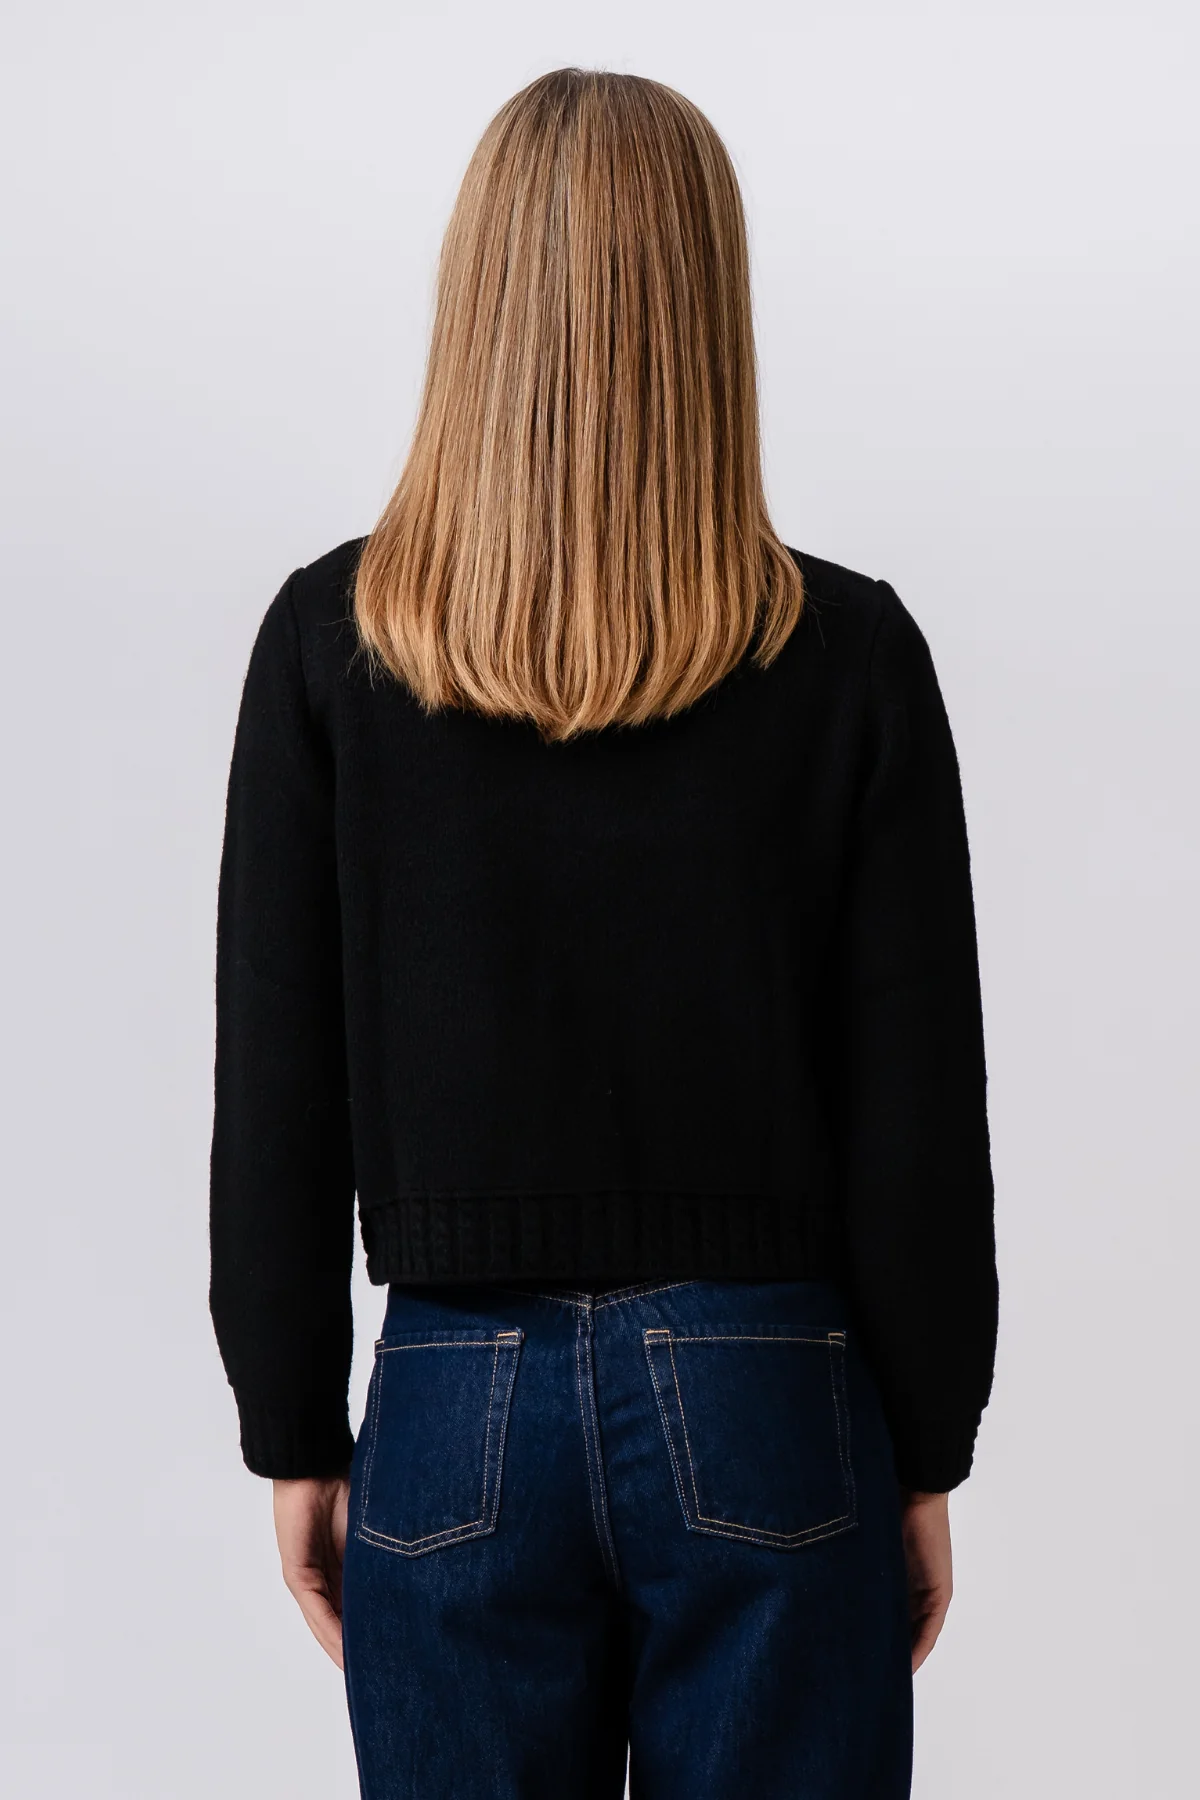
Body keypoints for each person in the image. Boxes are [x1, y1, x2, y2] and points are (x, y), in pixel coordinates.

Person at [209, 66, 997, 1800]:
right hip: (773, 1400)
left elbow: (276, 1087)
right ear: (708, 309)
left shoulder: (331, 645)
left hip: (452, 1399)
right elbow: (920, 1116)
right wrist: (927, 1443)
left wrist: (292, 1422)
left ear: (473, 299)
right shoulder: (852, 659)